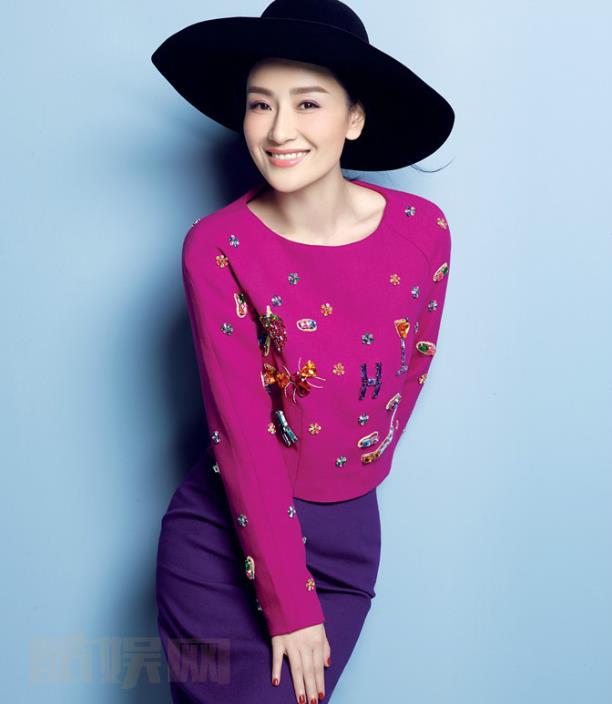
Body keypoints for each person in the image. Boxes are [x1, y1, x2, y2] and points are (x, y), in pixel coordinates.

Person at [151, 1, 455, 702]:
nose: (279, 130)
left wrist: (350, 475)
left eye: (308, 103)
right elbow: (242, 435)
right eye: (261, 104)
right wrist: (289, 602)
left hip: (346, 542)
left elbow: (411, 364)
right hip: (223, 540)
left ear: (355, 118)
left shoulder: (423, 229)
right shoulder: (218, 245)